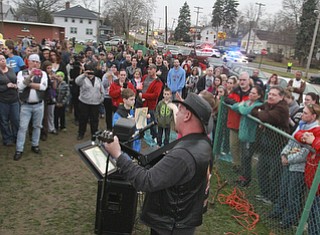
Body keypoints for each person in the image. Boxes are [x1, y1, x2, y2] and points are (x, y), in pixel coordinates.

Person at [104, 92, 213, 235]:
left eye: (179, 110)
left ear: (187, 116)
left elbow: (146, 181)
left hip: (170, 226)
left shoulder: (183, 155)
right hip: (182, 221)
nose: (176, 115)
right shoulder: (203, 143)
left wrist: (118, 154)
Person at [268, 104, 320, 229]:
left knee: (294, 195)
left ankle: (289, 220)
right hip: (290, 162)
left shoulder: (315, 129)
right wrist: (284, 153)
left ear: (314, 116)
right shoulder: (303, 125)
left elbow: (305, 152)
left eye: (306, 113)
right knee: (284, 190)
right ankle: (280, 213)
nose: (302, 115)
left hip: (299, 167)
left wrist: (289, 159)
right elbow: (294, 138)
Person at [251, 86, 289, 203]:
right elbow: (254, 110)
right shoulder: (269, 104)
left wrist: (262, 114)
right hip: (266, 144)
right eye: (270, 94)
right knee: (261, 169)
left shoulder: (282, 108)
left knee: (275, 173)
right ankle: (265, 194)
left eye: (274, 95)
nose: (270, 96)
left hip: (278, 145)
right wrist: (262, 113)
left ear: (281, 97)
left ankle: (273, 198)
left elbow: (265, 116)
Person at [14, 54, 48, 161]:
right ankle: (19, 149)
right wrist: (30, 77)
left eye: (37, 62)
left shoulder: (43, 73)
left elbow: (43, 87)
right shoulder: (21, 73)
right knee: (22, 127)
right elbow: (20, 87)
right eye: (33, 61)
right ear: (28, 62)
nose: (35, 63)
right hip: (26, 105)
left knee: (37, 126)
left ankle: (35, 145)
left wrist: (28, 83)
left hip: (39, 104)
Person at [231, 86, 264, 187]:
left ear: (259, 95)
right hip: (243, 134)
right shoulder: (247, 102)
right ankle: (242, 176)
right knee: (243, 157)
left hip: (251, 136)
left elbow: (244, 111)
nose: (251, 94)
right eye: (251, 92)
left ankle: (246, 179)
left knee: (247, 157)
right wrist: (242, 106)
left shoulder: (258, 105)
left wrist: (242, 106)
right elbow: (234, 107)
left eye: (254, 93)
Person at [294, 120, 320, 235]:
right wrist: (304, 137)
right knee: (312, 215)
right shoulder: (317, 130)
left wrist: (314, 141)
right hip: (313, 186)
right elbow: (298, 133)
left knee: (317, 219)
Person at [224, 72, 252, 173]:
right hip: (234, 124)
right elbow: (227, 99)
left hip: (246, 127)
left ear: (248, 81)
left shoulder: (252, 93)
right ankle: (237, 165)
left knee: (245, 149)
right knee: (233, 146)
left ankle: (245, 169)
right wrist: (238, 105)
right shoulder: (235, 91)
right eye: (240, 80)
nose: (242, 82)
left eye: (244, 80)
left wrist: (241, 106)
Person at [75, 63, 105, 140]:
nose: (90, 73)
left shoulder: (98, 79)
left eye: (91, 71)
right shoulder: (83, 79)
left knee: (94, 119)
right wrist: (84, 74)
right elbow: (77, 82)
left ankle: (94, 133)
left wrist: (101, 99)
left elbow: (102, 90)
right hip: (84, 102)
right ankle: (81, 133)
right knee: (83, 118)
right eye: (88, 71)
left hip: (95, 103)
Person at [139, 64, 163, 142]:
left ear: (155, 70)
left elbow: (155, 95)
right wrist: (139, 92)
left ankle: (155, 136)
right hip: (141, 102)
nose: (149, 71)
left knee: (152, 122)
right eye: (148, 69)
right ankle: (140, 135)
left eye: (151, 69)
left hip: (150, 105)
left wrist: (143, 95)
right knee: (140, 120)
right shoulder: (145, 77)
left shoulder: (158, 82)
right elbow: (140, 86)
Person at [0, 53, 20, 146]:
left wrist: (16, 85)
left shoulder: (11, 70)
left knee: (15, 119)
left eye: (4, 58)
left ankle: (16, 136)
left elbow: (16, 80)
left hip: (14, 99)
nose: (3, 60)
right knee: (4, 121)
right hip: (3, 101)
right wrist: (6, 87)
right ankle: (7, 138)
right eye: (0, 59)